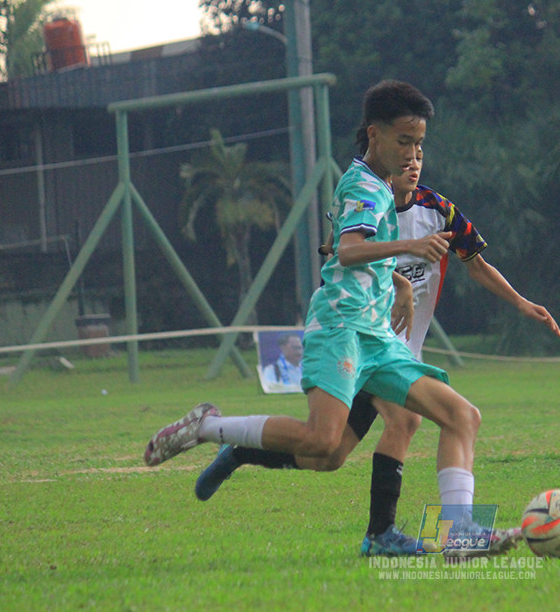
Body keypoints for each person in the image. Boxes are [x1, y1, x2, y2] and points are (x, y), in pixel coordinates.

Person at [143, 80, 519, 557]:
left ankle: (458, 534)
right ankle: (206, 427)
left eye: (419, 143)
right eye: (404, 141)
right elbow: (348, 250)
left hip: (376, 336)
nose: (412, 153)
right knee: (323, 444)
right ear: (374, 135)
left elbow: (354, 253)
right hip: (341, 327)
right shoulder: (363, 185)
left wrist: (400, 284)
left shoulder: (381, 185)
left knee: (461, 416)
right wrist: (410, 246)